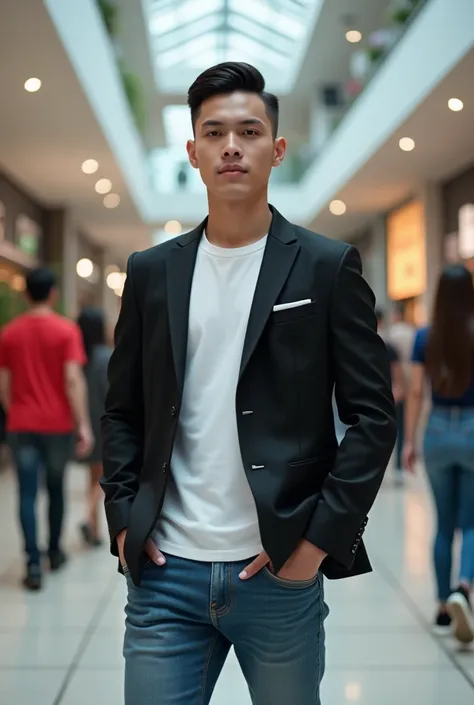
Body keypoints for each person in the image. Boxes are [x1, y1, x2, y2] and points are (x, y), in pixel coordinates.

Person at [102, 62, 396, 705]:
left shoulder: (325, 265)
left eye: (249, 130)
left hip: (280, 572)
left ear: (276, 148)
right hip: (163, 575)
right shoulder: (152, 272)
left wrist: (317, 543)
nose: (231, 145)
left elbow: (374, 416)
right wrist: (123, 520)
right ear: (193, 151)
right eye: (214, 132)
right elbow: (123, 409)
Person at [0, 268, 93, 590]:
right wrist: (83, 424)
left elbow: (4, 383)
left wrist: (16, 414)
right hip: (57, 425)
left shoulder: (9, 333)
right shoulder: (66, 331)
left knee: (26, 493)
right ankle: (54, 552)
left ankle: (32, 563)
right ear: (52, 294)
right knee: (56, 488)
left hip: (22, 424)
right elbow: (72, 379)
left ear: (26, 294)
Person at [404, 264, 474, 645]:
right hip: (473, 429)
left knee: (443, 524)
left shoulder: (426, 337)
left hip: (438, 430)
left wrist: (411, 441)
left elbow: (416, 393)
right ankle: (464, 587)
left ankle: (443, 607)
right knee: (472, 522)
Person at [77, 307, 111, 547]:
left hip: (82, 424)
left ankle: (95, 531)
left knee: (93, 477)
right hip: (103, 423)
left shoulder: (79, 357)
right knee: (102, 478)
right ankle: (87, 517)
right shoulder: (105, 357)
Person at [376, 307, 405, 483]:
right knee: (397, 432)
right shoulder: (388, 345)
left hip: (377, 395)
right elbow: (397, 373)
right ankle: (398, 469)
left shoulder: (361, 343)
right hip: (390, 394)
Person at [387, 302, 415, 475]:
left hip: (395, 384)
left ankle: (395, 463)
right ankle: (402, 461)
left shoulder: (392, 335)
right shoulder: (412, 332)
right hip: (411, 381)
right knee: (404, 424)